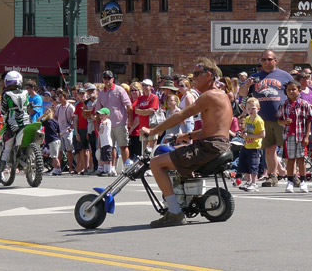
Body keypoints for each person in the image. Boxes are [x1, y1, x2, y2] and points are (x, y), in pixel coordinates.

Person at [144, 57, 232, 228]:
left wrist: (153, 131)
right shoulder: (222, 96)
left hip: (209, 147)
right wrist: (188, 135)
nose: (193, 79)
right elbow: (213, 131)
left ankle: (175, 212)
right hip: (217, 144)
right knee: (177, 150)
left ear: (208, 75)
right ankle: (187, 198)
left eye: (196, 74)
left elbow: (180, 115)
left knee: (156, 164)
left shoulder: (209, 95)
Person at [242, 50, 292, 187]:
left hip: (282, 118)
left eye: (269, 59)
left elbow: (294, 94)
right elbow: (242, 93)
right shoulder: (255, 77)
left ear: (275, 60)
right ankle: (272, 176)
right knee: (269, 149)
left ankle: (293, 175)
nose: (266, 62)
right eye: (264, 59)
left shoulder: (285, 76)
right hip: (263, 119)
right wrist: (247, 85)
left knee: (288, 148)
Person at [0, 71, 30, 188]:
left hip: (13, 124)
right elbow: (27, 105)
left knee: (7, 148)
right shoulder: (25, 92)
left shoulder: (6, 94)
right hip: (26, 122)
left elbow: (3, 110)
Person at [277, 81, 312, 193]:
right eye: (289, 90)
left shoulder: (304, 104)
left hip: (301, 135)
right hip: (289, 136)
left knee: (301, 159)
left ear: (299, 90)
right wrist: (284, 121)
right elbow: (279, 120)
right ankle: (290, 181)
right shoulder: (283, 105)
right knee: (290, 159)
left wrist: (307, 136)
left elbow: (309, 120)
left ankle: (303, 181)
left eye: (293, 89)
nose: (291, 92)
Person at [94, 71, 132, 170]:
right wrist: (98, 125)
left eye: (109, 78)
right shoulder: (101, 93)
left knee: (123, 146)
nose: (107, 80)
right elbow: (98, 111)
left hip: (120, 122)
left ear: (113, 79)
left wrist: (130, 121)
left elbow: (129, 106)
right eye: (105, 78)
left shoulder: (120, 90)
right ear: (102, 79)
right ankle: (112, 168)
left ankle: (127, 167)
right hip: (107, 124)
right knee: (110, 147)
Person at [238, 97, 265, 192]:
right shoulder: (247, 119)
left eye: (253, 108)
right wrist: (243, 134)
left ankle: (254, 183)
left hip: (254, 146)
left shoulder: (259, 120)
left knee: (253, 164)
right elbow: (245, 130)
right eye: (248, 108)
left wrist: (250, 135)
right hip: (246, 145)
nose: (250, 110)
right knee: (245, 164)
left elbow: (262, 134)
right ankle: (248, 181)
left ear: (258, 109)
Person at [54, 91, 76, 174]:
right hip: (60, 131)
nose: (59, 98)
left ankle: (71, 168)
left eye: (61, 97)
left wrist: (71, 128)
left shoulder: (70, 107)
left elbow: (73, 118)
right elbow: (56, 117)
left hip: (67, 130)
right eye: (58, 97)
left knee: (69, 150)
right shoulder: (58, 107)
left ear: (65, 97)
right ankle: (58, 168)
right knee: (59, 151)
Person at [41, 108, 62, 176]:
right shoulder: (56, 121)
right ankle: (56, 168)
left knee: (54, 156)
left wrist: (43, 115)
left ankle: (58, 169)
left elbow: (38, 120)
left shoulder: (47, 122)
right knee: (54, 155)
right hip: (57, 140)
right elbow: (59, 132)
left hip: (53, 140)